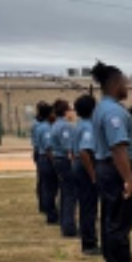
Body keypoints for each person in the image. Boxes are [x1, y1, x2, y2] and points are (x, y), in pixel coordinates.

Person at [91, 61, 132, 262]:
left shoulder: (103, 107)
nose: (127, 87)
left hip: (108, 169)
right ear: (115, 84)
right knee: (119, 223)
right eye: (124, 83)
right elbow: (118, 148)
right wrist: (128, 179)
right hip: (116, 171)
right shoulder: (113, 112)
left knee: (110, 220)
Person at [73, 94, 100, 256]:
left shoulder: (80, 124)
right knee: (89, 207)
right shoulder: (89, 127)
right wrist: (93, 174)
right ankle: (89, 243)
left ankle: (88, 239)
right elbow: (84, 151)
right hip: (85, 166)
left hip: (79, 165)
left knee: (86, 206)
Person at [50, 99, 78, 237]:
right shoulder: (65, 127)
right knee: (70, 194)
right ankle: (69, 226)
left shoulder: (55, 124)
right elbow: (69, 147)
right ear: (65, 111)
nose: (72, 113)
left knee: (64, 192)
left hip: (57, 159)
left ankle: (64, 222)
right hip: (64, 160)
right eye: (70, 110)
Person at [36, 103, 59, 224]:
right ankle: (52, 215)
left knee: (47, 187)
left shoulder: (41, 126)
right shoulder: (46, 128)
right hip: (47, 159)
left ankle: (51, 211)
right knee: (50, 188)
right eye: (53, 113)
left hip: (42, 158)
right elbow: (49, 148)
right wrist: (54, 163)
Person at [32, 101, 47, 214]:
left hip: (38, 149)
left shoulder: (37, 123)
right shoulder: (39, 124)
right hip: (40, 151)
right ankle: (43, 203)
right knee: (42, 179)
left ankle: (43, 203)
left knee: (42, 179)